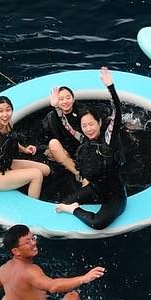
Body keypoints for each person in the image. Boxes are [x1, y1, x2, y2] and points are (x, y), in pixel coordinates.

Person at [55, 67, 129, 232]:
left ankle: (73, 209)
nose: (88, 129)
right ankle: (71, 206)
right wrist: (58, 107)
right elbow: (66, 125)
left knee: (97, 224)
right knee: (64, 202)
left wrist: (110, 87)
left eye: (91, 124)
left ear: (99, 123)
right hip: (95, 189)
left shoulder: (108, 139)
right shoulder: (83, 139)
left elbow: (117, 111)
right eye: (84, 125)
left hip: (114, 196)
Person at [0, 97, 52, 198]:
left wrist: (24, 149)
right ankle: (31, 208)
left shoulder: (8, 123)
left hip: (5, 163)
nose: (5, 114)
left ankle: (19, 180)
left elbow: (8, 140)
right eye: (0, 111)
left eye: (8, 110)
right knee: (36, 175)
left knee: (46, 170)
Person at [40, 83, 89, 180]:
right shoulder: (52, 117)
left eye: (68, 98)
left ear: (73, 99)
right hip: (67, 151)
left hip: (86, 147)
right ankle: (77, 173)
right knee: (53, 144)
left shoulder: (83, 111)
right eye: (61, 99)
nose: (65, 101)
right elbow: (45, 135)